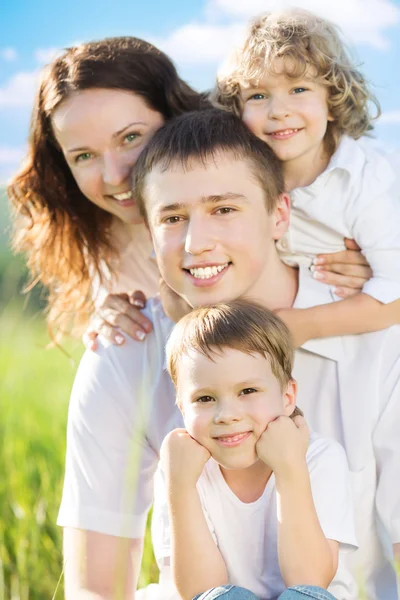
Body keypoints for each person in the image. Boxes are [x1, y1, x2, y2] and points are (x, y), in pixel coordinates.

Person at [58, 109, 400, 600]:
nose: (197, 244)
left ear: (279, 214)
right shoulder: (123, 349)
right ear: (151, 235)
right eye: (173, 218)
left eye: (224, 209)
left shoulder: (381, 338)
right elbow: (95, 588)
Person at [213, 8, 400, 345]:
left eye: (298, 89)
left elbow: (396, 291)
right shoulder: (237, 178)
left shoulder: (365, 179)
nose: (278, 110)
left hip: (370, 353)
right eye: (257, 96)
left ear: (332, 101)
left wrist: (303, 325)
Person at [7, 36, 205, 343]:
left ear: (176, 118)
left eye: (130, 138)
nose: (114, 177)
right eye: (84, 156)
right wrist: (108, 323)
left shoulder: (268, 193)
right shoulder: (104, 240)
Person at [156, 299, 357, 600]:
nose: (227, 414)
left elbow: (310, 583)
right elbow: (201, 592)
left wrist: (290, 468)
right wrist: (181, 486)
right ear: (182, 407)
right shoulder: (180, 466)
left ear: (287, 396)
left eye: (247, 391)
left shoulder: (320, 457)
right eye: (205, 399)